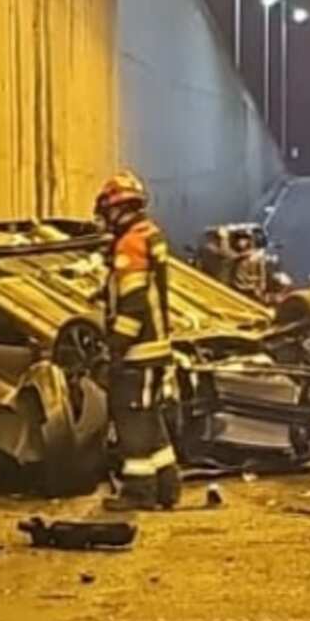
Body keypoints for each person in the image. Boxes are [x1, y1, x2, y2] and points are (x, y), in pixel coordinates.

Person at [94, 171, 182, 512]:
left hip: (138, 352)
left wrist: (115, 347)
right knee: (149, 418)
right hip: (157, 349)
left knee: (131, 417)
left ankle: (139, 492)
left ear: (116, 209)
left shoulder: (130, 243)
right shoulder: (150, 234)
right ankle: (166, 486)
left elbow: (132, 305)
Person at [230, 233, 267, 301]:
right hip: (240, 284)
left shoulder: (256, 256)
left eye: (243, 239)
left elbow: (262, 273)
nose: (240, 242)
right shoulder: (242, 254)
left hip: (246, 286)